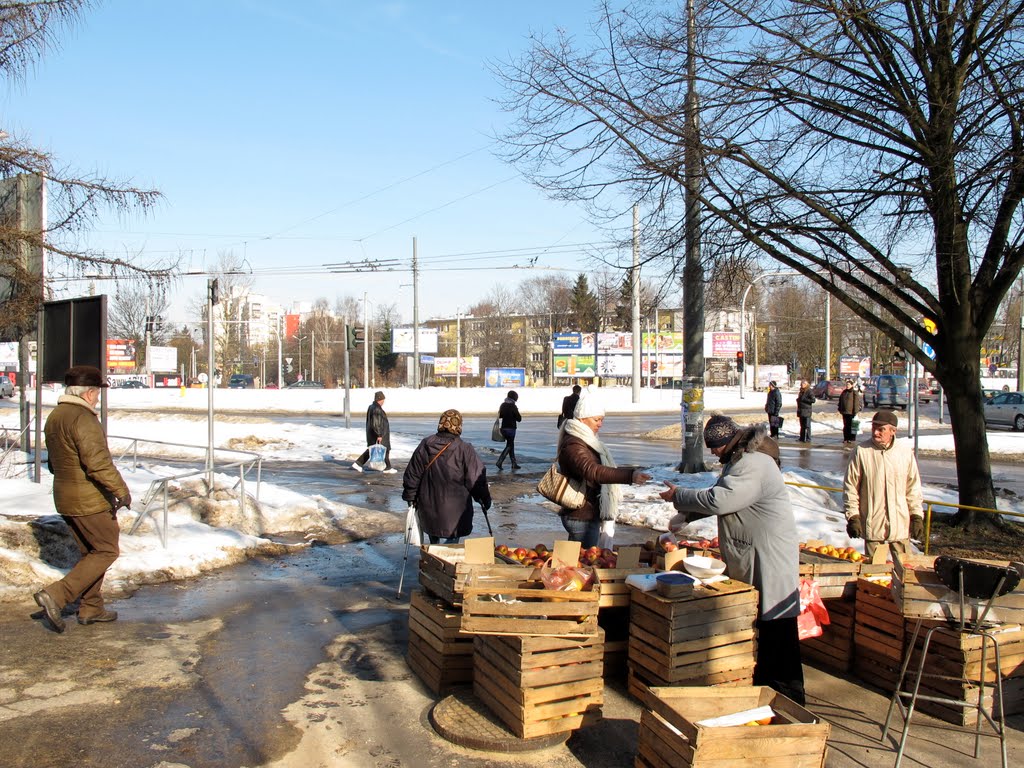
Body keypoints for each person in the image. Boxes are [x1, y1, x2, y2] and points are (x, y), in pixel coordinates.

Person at [658, 414, 804, 705]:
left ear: (729, 441)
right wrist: (685, 515)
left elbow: (722, 500)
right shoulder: (741, 461)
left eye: (715, 446)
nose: (712, 452)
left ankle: (789, 700)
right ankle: (765, 690)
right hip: (756, 553)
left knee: (777, 629)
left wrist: (680, 496)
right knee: (764, 626)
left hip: (768, 556)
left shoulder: (753, 464)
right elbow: (722, 497)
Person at [33, 366, 132, 633]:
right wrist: (121, 490)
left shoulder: (55, 417)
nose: (98, 398)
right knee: (106, 550)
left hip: (64, 496)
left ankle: (91, 607)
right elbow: (98, 464)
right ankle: (57, 595)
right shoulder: (83, 419)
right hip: (89, 499)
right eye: (97, 393)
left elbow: (54, 463)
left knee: (91, 552)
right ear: (89, 393)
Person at [557, 389, 651, 547]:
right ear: (582, 418)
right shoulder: (574, 444)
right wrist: (630, 476)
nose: (600, 424)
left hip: (586, 513)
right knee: (584, 564)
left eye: (601, 420)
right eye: (596, 420)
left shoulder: (586, 440)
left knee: (576, 561)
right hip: (581, 517)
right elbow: (593, 471)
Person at [843, 410, 924, 562]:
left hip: (900, 526)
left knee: (905, 572)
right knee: (874, 576)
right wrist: (853, 516)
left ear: (893, 431)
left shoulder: (904, 453)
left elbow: (913, 488)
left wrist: (916, 516)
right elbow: (850, 488)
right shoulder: (862, 452)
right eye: (874, 428)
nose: (876, 432)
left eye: (881, 429)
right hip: (873, 525)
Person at [402, 409, 491, 544]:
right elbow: (476, 478)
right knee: (451, 544)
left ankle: (434, 558)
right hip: (456, 510)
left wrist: (411, 496)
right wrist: (484, 498)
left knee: (434, 539)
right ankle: (445, 560)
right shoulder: (464, 449)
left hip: (429, 506)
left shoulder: (426, 444)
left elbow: (412, 474)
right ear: (458, 426)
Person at [352, 391, 395, 473]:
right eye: (383, 400)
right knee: (381, 449)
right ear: (380, 399)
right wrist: (379, 434)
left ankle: (358, 464)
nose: (383, 402)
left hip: (373, 433)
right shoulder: (377, 409)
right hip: (378, 434)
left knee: (375, 450)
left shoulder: (372, 407)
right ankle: (387, 468)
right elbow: (376, 423)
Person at [495, 390, 522, 470]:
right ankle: (500, 461)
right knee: (509, 445)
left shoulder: (503, 405)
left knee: (511, 445)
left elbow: (500, 416)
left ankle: (514, 463)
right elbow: (519, 418)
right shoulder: (513, 406)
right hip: (511, 429)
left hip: (503, 428)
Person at [837, 379, 862, 444]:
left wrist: (855, 411)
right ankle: (846, 438)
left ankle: (851, 438)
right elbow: (840, 401)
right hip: (845, 412)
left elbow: (856, 403)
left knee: (852, 426)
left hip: (851, 412)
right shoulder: (844, 392)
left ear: (851, 385)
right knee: (846, 426)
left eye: (848, 384)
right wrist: (840, 408)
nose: (847, 386)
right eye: (846, 384)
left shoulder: (854, 392)